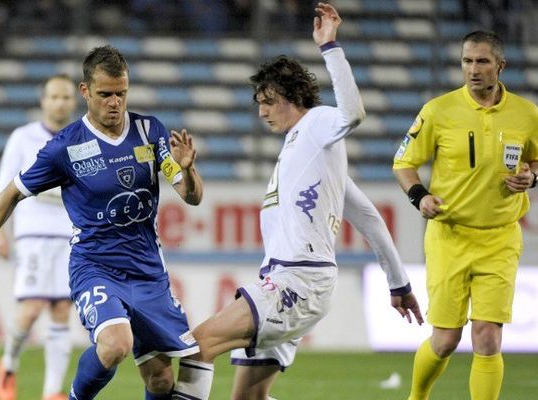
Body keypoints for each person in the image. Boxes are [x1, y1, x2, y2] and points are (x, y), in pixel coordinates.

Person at [170, 3, 424, 399]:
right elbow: (371, 218)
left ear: (292, 96)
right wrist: (399, 283)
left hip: (298, 282)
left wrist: (330, 47)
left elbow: (353, 112)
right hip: (292, 282)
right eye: (258, 102)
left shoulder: (317, 122)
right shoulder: (308, 151)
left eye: (268, 101)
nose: (261, 112)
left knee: (199, 347)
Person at [0, 45, 204, 400]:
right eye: (105, 94)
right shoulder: (64, 147)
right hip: (95, 266)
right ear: (85, 92)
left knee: (160, 379)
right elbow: (10, 193)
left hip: (147, 270)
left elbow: (191, 195)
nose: (115, 102)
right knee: (116, 343)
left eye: (121, 93)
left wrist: (188, 170)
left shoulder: (150, 131)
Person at [393, 30, 538, 400]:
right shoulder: (438, 111)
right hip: (449, 237)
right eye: (467, 61)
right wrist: (419, 196)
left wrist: (531, 175)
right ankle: (417, 397)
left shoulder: (527, 113)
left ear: (500, 66)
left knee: (488, 336)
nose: (473, 70)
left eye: (482, 61)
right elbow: (404, 162)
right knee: (444, 340)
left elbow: (536, 159)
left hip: (500, 236)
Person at [0, 74, 77, 400]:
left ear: (75, 100)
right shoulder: (22, 138)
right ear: (43, 100)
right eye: (54, 96)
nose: (60, 102)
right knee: (30, 309)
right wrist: (0, 231)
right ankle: (9, 363)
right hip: (32, 233)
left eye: (66, 97)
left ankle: (53, 391)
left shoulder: (81, 138)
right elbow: (4, 186)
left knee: (60, 310)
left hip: (69, 234)